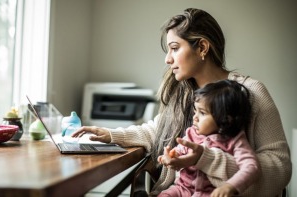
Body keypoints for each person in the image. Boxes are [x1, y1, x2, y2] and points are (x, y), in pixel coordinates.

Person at [72, 8, 292, 196]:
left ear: (203, 48)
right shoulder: (184, 93)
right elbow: (156, 131)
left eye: (175, 48)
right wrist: (111, 135)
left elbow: (280, 166)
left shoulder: (251, 92)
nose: (168, 59)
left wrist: (208, 160)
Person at [157, 79, 260, 197]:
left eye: (202, 112)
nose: (195, 118)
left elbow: (252, 167)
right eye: (195, 111)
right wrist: (172, 156)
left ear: (226, 119)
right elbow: (180, 151)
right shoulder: (192, 133)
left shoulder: (235, 140)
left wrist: (231, 186)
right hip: (182, 189)